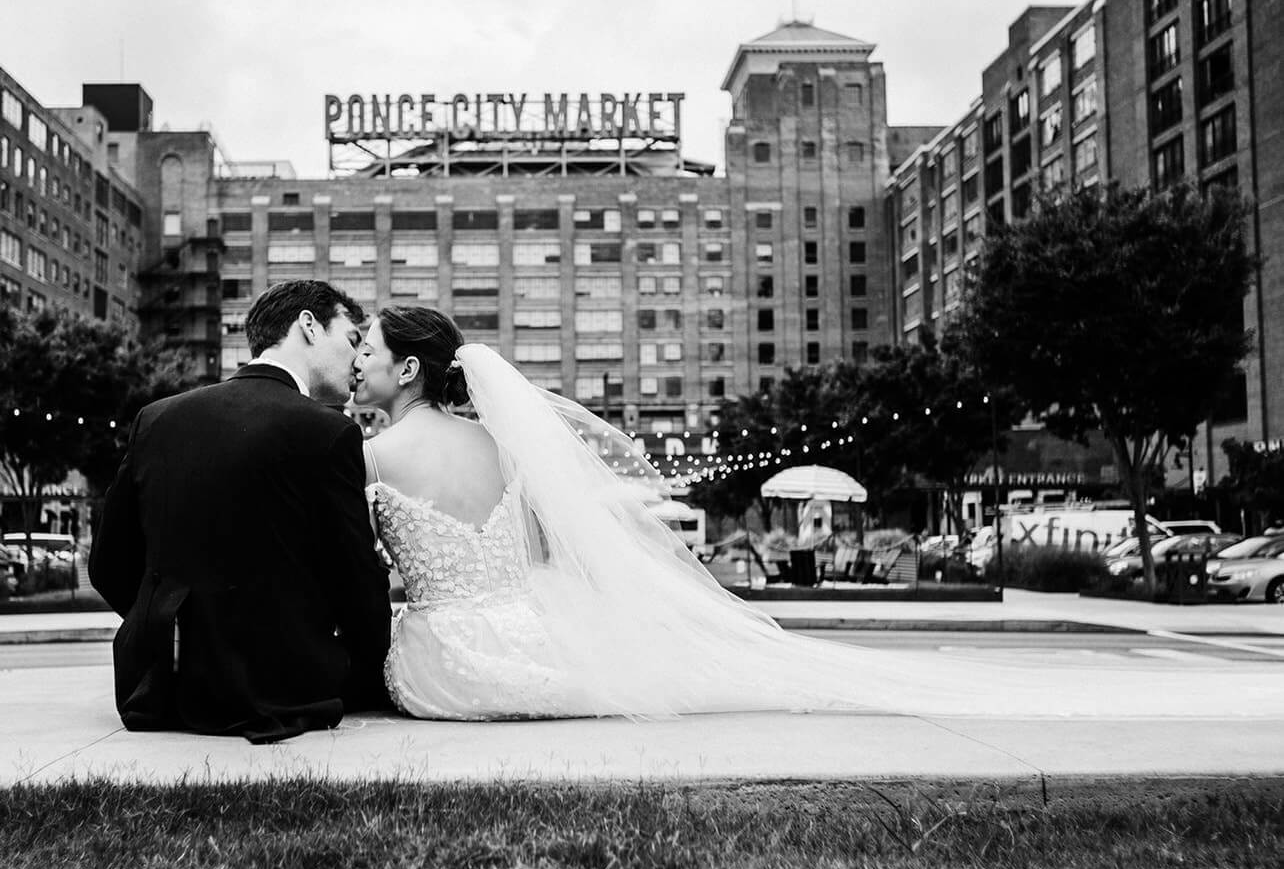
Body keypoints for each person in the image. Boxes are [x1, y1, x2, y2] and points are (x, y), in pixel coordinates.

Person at [352, 305, 1284, 720]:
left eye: (367, 351)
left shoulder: (366, 452)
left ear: (408, 370)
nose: (355, 363)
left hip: (450, 670)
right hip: (547, 648)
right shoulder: (510, 447)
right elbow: (536, 553)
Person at [91, 281, 392, 744]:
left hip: (159, 689)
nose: (358, 359)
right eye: (352, 338)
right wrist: (373, 669)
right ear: (308, 326)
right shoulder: (327, 432)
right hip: (284, 690)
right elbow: (357, 584)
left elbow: (108, 564)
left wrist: (173, 628)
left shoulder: (157, 419)